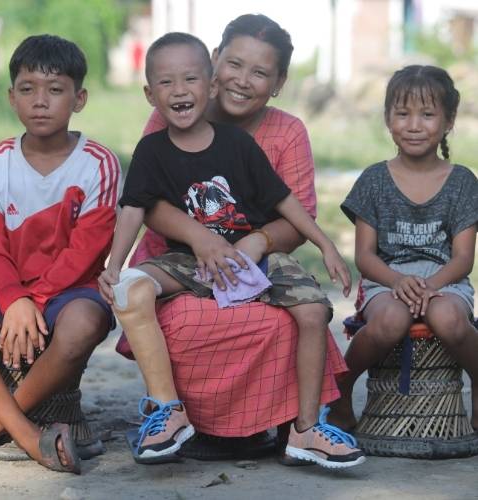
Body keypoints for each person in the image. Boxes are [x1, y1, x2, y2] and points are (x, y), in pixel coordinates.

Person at [99, 31, 365, 469]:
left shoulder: (239, 144)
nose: (180, 91)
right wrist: (114, 267)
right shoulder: (151, 147)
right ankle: (168, 410)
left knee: (314, 310)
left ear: (210, 85)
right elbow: (134, 208)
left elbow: (285, 201)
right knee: (131, 287)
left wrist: (326, 244)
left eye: (190, 80)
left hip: (255, 257)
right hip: (186, 259)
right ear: (150, 93)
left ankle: (304, 430)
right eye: (166, 83)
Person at [0, 34, 120, 473]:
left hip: (67, 293)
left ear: (79, 99)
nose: (40, 102)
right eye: (27, 89)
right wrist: (14, 300)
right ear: (11, 97)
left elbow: (85, 254)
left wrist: (33, 303)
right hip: (4, 291)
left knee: (82, 325)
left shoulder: (98, 163)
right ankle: (24, 432)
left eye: (55, 90)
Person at [328, 65, 478, 431]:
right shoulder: (374, 180)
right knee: (391, 321)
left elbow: (463, 258)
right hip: (386, 279)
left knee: (449, 319)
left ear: (448, 121)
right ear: (387, 118)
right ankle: (342, 384)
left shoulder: (461, 182)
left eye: (427, 114)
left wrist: (431, 285)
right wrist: (397, 280)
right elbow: (365, 255)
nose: (414, 125)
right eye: (403, 113)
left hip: (444, 280)